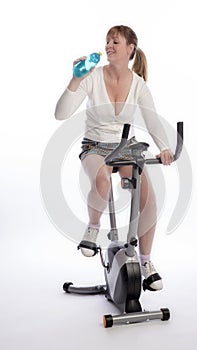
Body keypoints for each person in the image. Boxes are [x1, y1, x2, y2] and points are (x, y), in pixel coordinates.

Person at [55, 25, 173, 291]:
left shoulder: (139, 84)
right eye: (107, 41)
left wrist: (164, 147)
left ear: (130, 49)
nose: (108, 45)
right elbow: (60, 114)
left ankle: (145, 262)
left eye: (115, 42)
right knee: (102, 180)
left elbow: (152, 120)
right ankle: (93, 228)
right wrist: (75, 79)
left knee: (149, 200)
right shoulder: (93, 76)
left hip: (125, 147)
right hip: (95, 145)